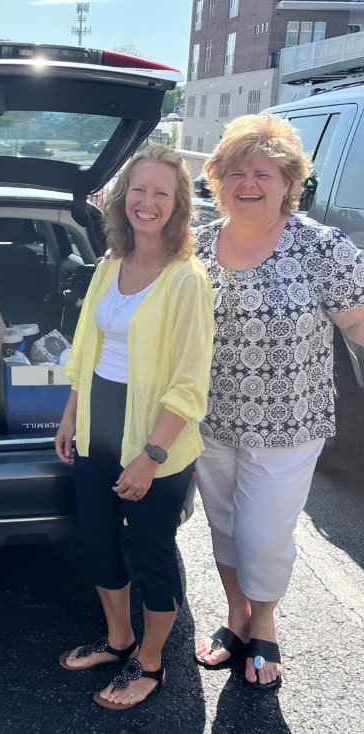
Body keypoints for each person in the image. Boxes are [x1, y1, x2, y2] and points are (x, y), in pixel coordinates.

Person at [192, 113, 364, 689]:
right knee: (223, 526)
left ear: (289, 181)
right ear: (218, 179)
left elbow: (359, 321)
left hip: (287, 423)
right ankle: (236, 617)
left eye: (262, 173)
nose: (248, 183)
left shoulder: (320, 247)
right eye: (236, 171)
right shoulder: (196, 246)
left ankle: (264, 623)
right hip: (208, 419)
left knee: (263, 534)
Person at [55, 145, 214, 710]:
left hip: (156, 436)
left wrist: (150, 455)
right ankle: (119, 641)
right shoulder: (107, 265)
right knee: (98, 540)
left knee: (151, 551)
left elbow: (190, 383)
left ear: (178, 205)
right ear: (123, 200)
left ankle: (150, 665)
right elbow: (84, 350)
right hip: (98, 421)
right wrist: (71, 415)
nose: (147, 203)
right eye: (138, 191)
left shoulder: (187, 280)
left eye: (161, 193)